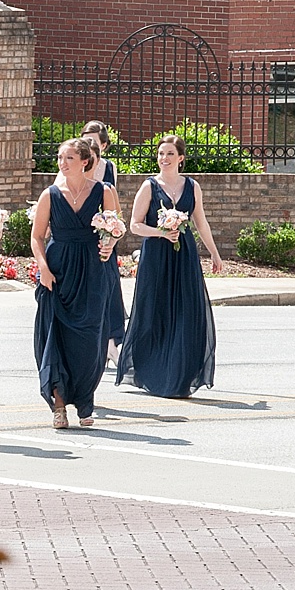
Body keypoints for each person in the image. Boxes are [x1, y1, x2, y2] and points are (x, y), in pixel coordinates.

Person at [116, 134, 224, 398]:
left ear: (181, 158)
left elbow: (201, 223)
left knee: (187, 312)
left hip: (184, 255)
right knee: (155, 310)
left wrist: (214, 253)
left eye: (170, 154)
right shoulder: (149, 187)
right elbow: (134, 224)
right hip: (156, 255)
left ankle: (180, 374)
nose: (164, 159)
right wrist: (161, 232)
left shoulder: (192, 187)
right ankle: (153, 370)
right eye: (161, 154)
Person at [32, 138, 121, 429]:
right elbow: (37, 237)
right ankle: (59, 406)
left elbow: (114, 228)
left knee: (90, 338)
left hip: (93, 270)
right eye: (60, 158)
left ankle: (85, 400)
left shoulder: (103, 191)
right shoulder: (50, 194)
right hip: (58, 271)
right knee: (55, 336)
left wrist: (108, 244)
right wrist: (43, 269)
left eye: (69, 157)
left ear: (85, 161)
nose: (62, 163)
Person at [80, 120, 125, 363]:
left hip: (103, 237)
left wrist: (110, 234)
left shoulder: (109, 169)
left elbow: (113, 208)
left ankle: (111, 341)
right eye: (85, 139)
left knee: (109, 288)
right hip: (79, 236)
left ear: (104, 145)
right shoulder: (73, 166)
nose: (88, 144)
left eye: (93, 142)